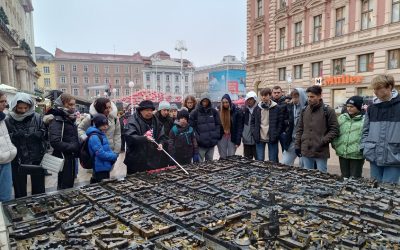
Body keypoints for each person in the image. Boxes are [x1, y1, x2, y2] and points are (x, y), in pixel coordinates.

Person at [5, 93, 47, 198]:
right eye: (20, 108)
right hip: (17, 159)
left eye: (26, 107)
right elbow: (4, 138)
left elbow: (45, 133)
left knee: (39, 190)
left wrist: (40, 134)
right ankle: (21, 210)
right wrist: (13, 136)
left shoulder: (37, 117)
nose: (23, 110)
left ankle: (39, 208)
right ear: (14, 106)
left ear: (30, 106)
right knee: (20, 190)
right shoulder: (8, 119)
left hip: (36, 157)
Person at [361, 74, 400, 184]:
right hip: (374, 156)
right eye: (374, 89)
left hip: (394, 157)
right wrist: (364, 148)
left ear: (389, 87)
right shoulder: (372, 108)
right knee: (375, 190)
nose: (375, 92)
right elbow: (365, 131)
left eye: (378, 88)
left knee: (388, 192)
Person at [295, 85, 339, 173]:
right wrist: (297, 145)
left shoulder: (328, 110)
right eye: (308, 96)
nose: (309, 99)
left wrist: (322, 141)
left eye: (312, 96)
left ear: (319, 96)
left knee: (321, 176)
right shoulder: (304, 110)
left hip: (320, 150)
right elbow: (299, 129)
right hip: (306, 149)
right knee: (307, 175)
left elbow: (335, 129)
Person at [45, 94, 80, 189]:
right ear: (62, 104)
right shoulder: (58, 119)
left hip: (69, 156)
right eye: (70, 104)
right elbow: (55, 141)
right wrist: (74, 147)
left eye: (74, 105)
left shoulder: (68, 117)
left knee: (68, 183)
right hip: (63, 157)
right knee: (64, 185)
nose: (73, 107)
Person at [124, 100, 166, 174]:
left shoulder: (156, 121)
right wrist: (144, 138)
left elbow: (161, 135)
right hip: (136, 160)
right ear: (141, 111)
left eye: (151, 110)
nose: (149, 112)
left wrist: (161, 143)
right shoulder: (132, 121)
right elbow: (129, 137)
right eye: (147, 110)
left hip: (152, 159)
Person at [333, 96, 365, 178]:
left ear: (358, 107)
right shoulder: (342, 118)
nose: (349, 108)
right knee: (344, 177)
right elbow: (335, 132)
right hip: (343, 153)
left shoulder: (364, 119)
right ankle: (345, 191)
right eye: (347, 106)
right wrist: (336, 145)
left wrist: (362, 148)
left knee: (354, 179)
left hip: (357, 155)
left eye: (352, 106)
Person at [252, 88, 284, 162]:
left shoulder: (276, 107)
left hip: (272, 137)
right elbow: (252, 122)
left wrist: (276, 134)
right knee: (260, 160)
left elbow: (280, 123)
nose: (263, 97)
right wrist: (254, 132)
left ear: (270, 96)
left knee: (272, 160)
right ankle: (261, 174)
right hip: (259, 137)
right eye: (262, 95)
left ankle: (272, 173)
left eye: (266, 95)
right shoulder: (257, 108)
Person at [86, 114, 118, 183]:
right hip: (100, 167)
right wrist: (113, 156)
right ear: (97, 125)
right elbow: (100, 153)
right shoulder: (94, 136)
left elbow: (106, 149)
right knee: (101, 184)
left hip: (104, 166)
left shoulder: (100, 134)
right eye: (103, 125)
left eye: (106, 124)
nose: (106, 127)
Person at [189, 93, 221, 161]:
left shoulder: (214, 112)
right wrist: (198, 138)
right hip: (201, 145)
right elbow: (192, 127)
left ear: (209, 102)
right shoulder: (195, 112)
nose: (205, 103)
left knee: (210, 165)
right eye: (204, 101)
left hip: (211, 144)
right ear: (201, 101)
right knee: (199, 165)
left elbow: (218, 124)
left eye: (207, 101)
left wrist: (216, 135)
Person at [282, 88, 307, 166]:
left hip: (304, 141)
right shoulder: (290, 107)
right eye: (293, 97)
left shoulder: (308, 108)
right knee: (285, 162)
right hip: (292, 139)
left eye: (297, 97)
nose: (295, 99)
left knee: (304, 166)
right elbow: (284, 118)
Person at [0, 91, 17, 202]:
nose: (5, 104)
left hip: (6, 159)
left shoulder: (2, 118)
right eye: (1, 101)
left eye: (5, 101)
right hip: (2, 160)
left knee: (6, 196)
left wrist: (11, 149)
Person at [217, 94, 244, 159]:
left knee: (231, 157)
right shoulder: (218, 112)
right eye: (223, 103)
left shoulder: (236, 111)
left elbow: (239, 127)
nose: (225, 104)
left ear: (229, 102)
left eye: (226, 102)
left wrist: (238, 141)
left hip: (232, 136)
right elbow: (216, 125)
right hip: (222, 136)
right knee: (223, 157)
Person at [155, 101, 174, 167]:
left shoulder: (170, 120)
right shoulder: (155, 119)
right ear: (160, 110)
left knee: (165, 164)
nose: (166, 112)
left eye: (167, 110)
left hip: (167, 145)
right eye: (164, 110)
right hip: (157, 145)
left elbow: (171, 133)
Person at [272, 86, 289, 153]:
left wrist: (285, 123)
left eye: (278, 92)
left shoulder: (286, 102)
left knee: (285, 152)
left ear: (281, 93)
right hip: (273, 131)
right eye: (275, 92)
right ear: (272, 93)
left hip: (283, 131)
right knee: (273, 153)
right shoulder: (270, 103)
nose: (276, 94)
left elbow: (289, 116)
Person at [242, 91, 258, 160]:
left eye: (250, 99)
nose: (249, 101)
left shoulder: (259, 109)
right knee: (247, 161)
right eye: (247, 99)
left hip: (257, 141)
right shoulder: (244, 110)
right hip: (246, 140)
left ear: (254, 99)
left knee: (259, 161)